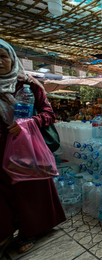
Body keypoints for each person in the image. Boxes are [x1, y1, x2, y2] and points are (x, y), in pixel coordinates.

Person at [0, 38, 66, 256]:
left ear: (12, 58)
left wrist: (26, 124)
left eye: (3, 56)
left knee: (30, 190)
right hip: (1, 148)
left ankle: (31, 231)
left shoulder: (29, 85)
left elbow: (48, 115)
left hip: (27, 149)